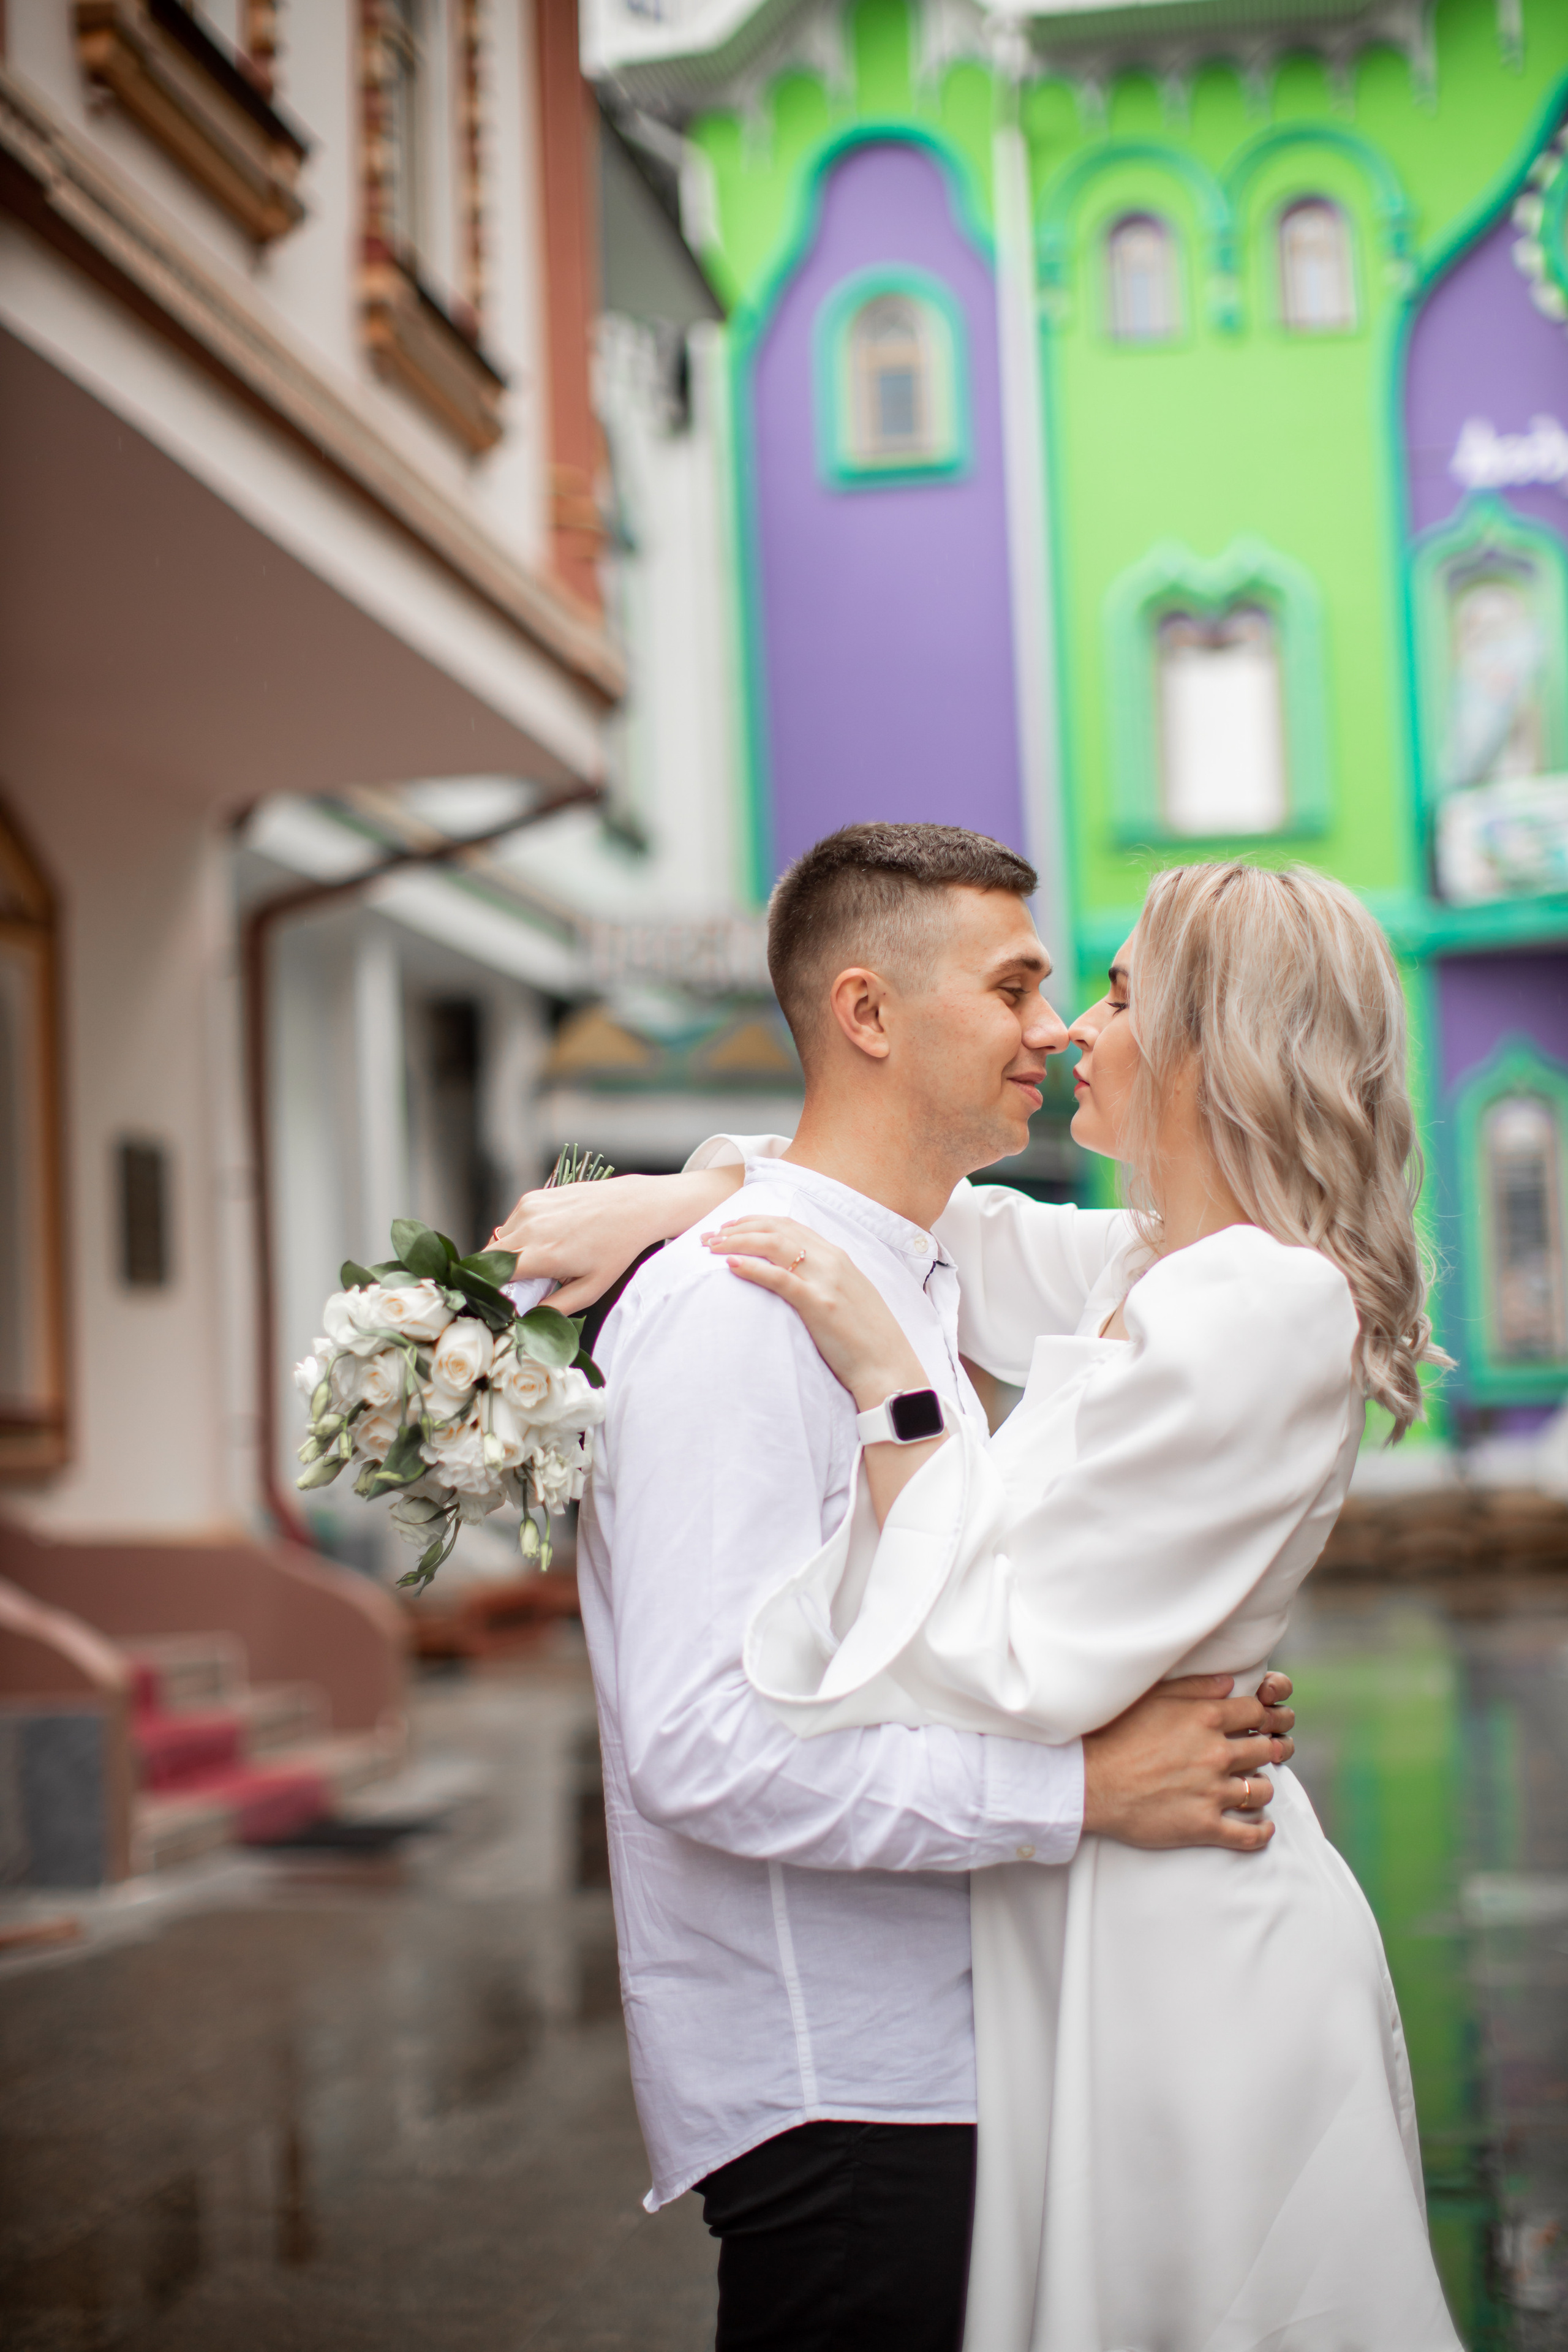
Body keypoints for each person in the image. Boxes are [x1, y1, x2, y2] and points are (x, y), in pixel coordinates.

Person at [514, 851, 1461, 2351]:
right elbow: (906, 1215)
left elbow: (993, 1652)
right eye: (1033, 988)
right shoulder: (1144, 1265)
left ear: (1213, 1043)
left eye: (1110, 991)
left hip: (1175, 1945)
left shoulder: (1259, 1301)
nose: (1074, 1028)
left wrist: (897, 1395)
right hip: (1058, 1945)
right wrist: (673, 1195)